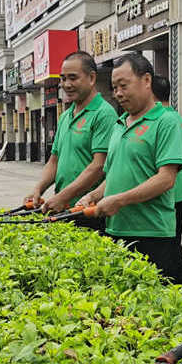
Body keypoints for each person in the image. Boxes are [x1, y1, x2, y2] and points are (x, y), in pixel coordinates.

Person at [79, 53, 182, 285]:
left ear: (146, 80)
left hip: (152, 235)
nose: (118, 93)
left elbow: (166, 179)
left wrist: (119, 201)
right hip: (116, 231)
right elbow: (112, 176)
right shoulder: (120, 124)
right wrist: (93, 195)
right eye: (114, 87)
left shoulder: (167, 121)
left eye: (123, 85)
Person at [27, 51, 117, 231]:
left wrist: (64, 196)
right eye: (63, 78)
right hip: (62, 207)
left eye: (73, 78)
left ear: (92, 78)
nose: (66, 84)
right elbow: (54, 160)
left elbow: (99, 165)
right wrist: (38, 189)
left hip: (88, 210)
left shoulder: (104, 113)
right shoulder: (66, 116)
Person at [153, 74, 182, 289]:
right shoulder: (171, 118)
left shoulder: (169, 120)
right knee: (171, 240)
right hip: (175, 192)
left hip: (174, 192)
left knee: (170, 240)